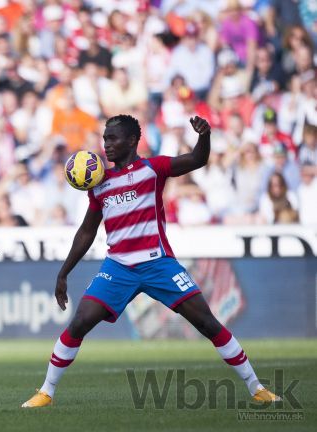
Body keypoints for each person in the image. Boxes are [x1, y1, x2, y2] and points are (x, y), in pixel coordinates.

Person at [21, 114, 281, 408]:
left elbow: (197, 159)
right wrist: (63, 272)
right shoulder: (99, 183)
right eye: (105, 138)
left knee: (207, 323)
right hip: (118, 267)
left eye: (113, 138)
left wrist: (204, 136)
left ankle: (257, 388)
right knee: (79, 322)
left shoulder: (152, 169)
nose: (106, 145)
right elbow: (87, 231)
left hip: (159, 264)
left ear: (132, 141)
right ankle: (46, 392)